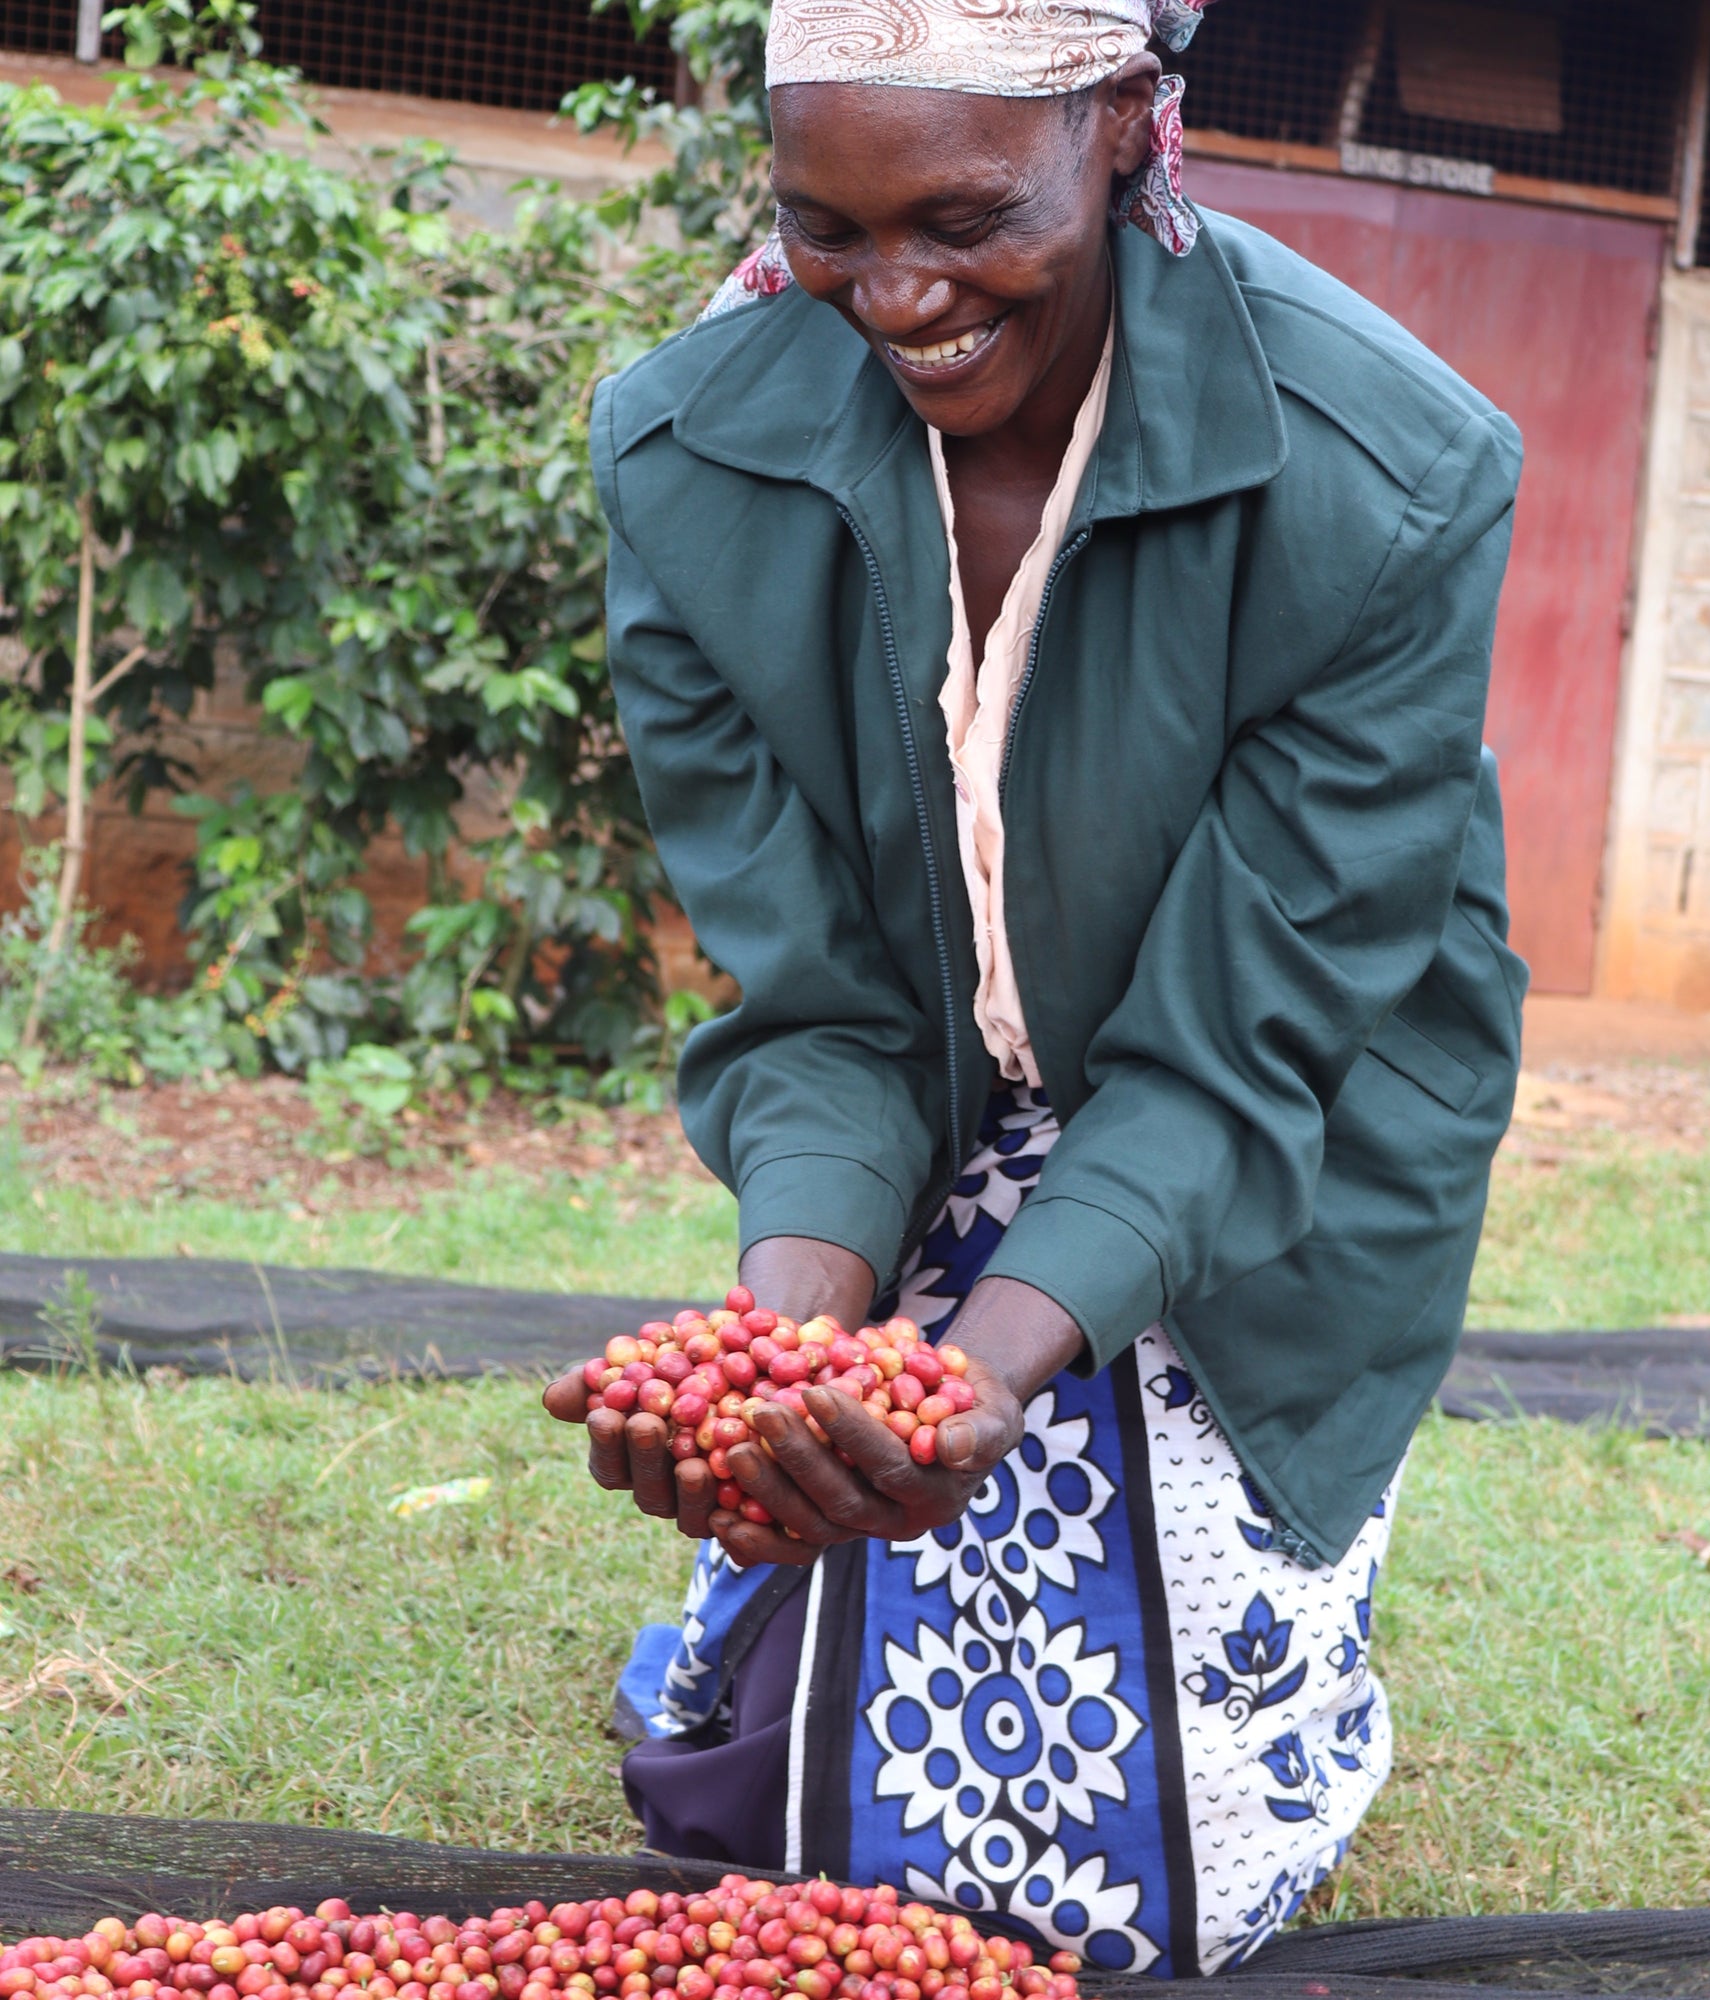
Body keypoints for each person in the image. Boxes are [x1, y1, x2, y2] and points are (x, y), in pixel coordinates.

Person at [545, 0, 1528, 1973]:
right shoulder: (685, 454)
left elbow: (1240, 1045)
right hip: (948, 1094)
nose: (894, 295)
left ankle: (1293, 1672)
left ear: (1124, 129)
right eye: (822, 225)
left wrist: (974, 1375)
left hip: (1284, 1129)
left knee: (1150, 1866)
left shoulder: (1389, 471)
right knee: (822, 1826)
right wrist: (788, 1336)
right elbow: (818, 998)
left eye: (964, 216)